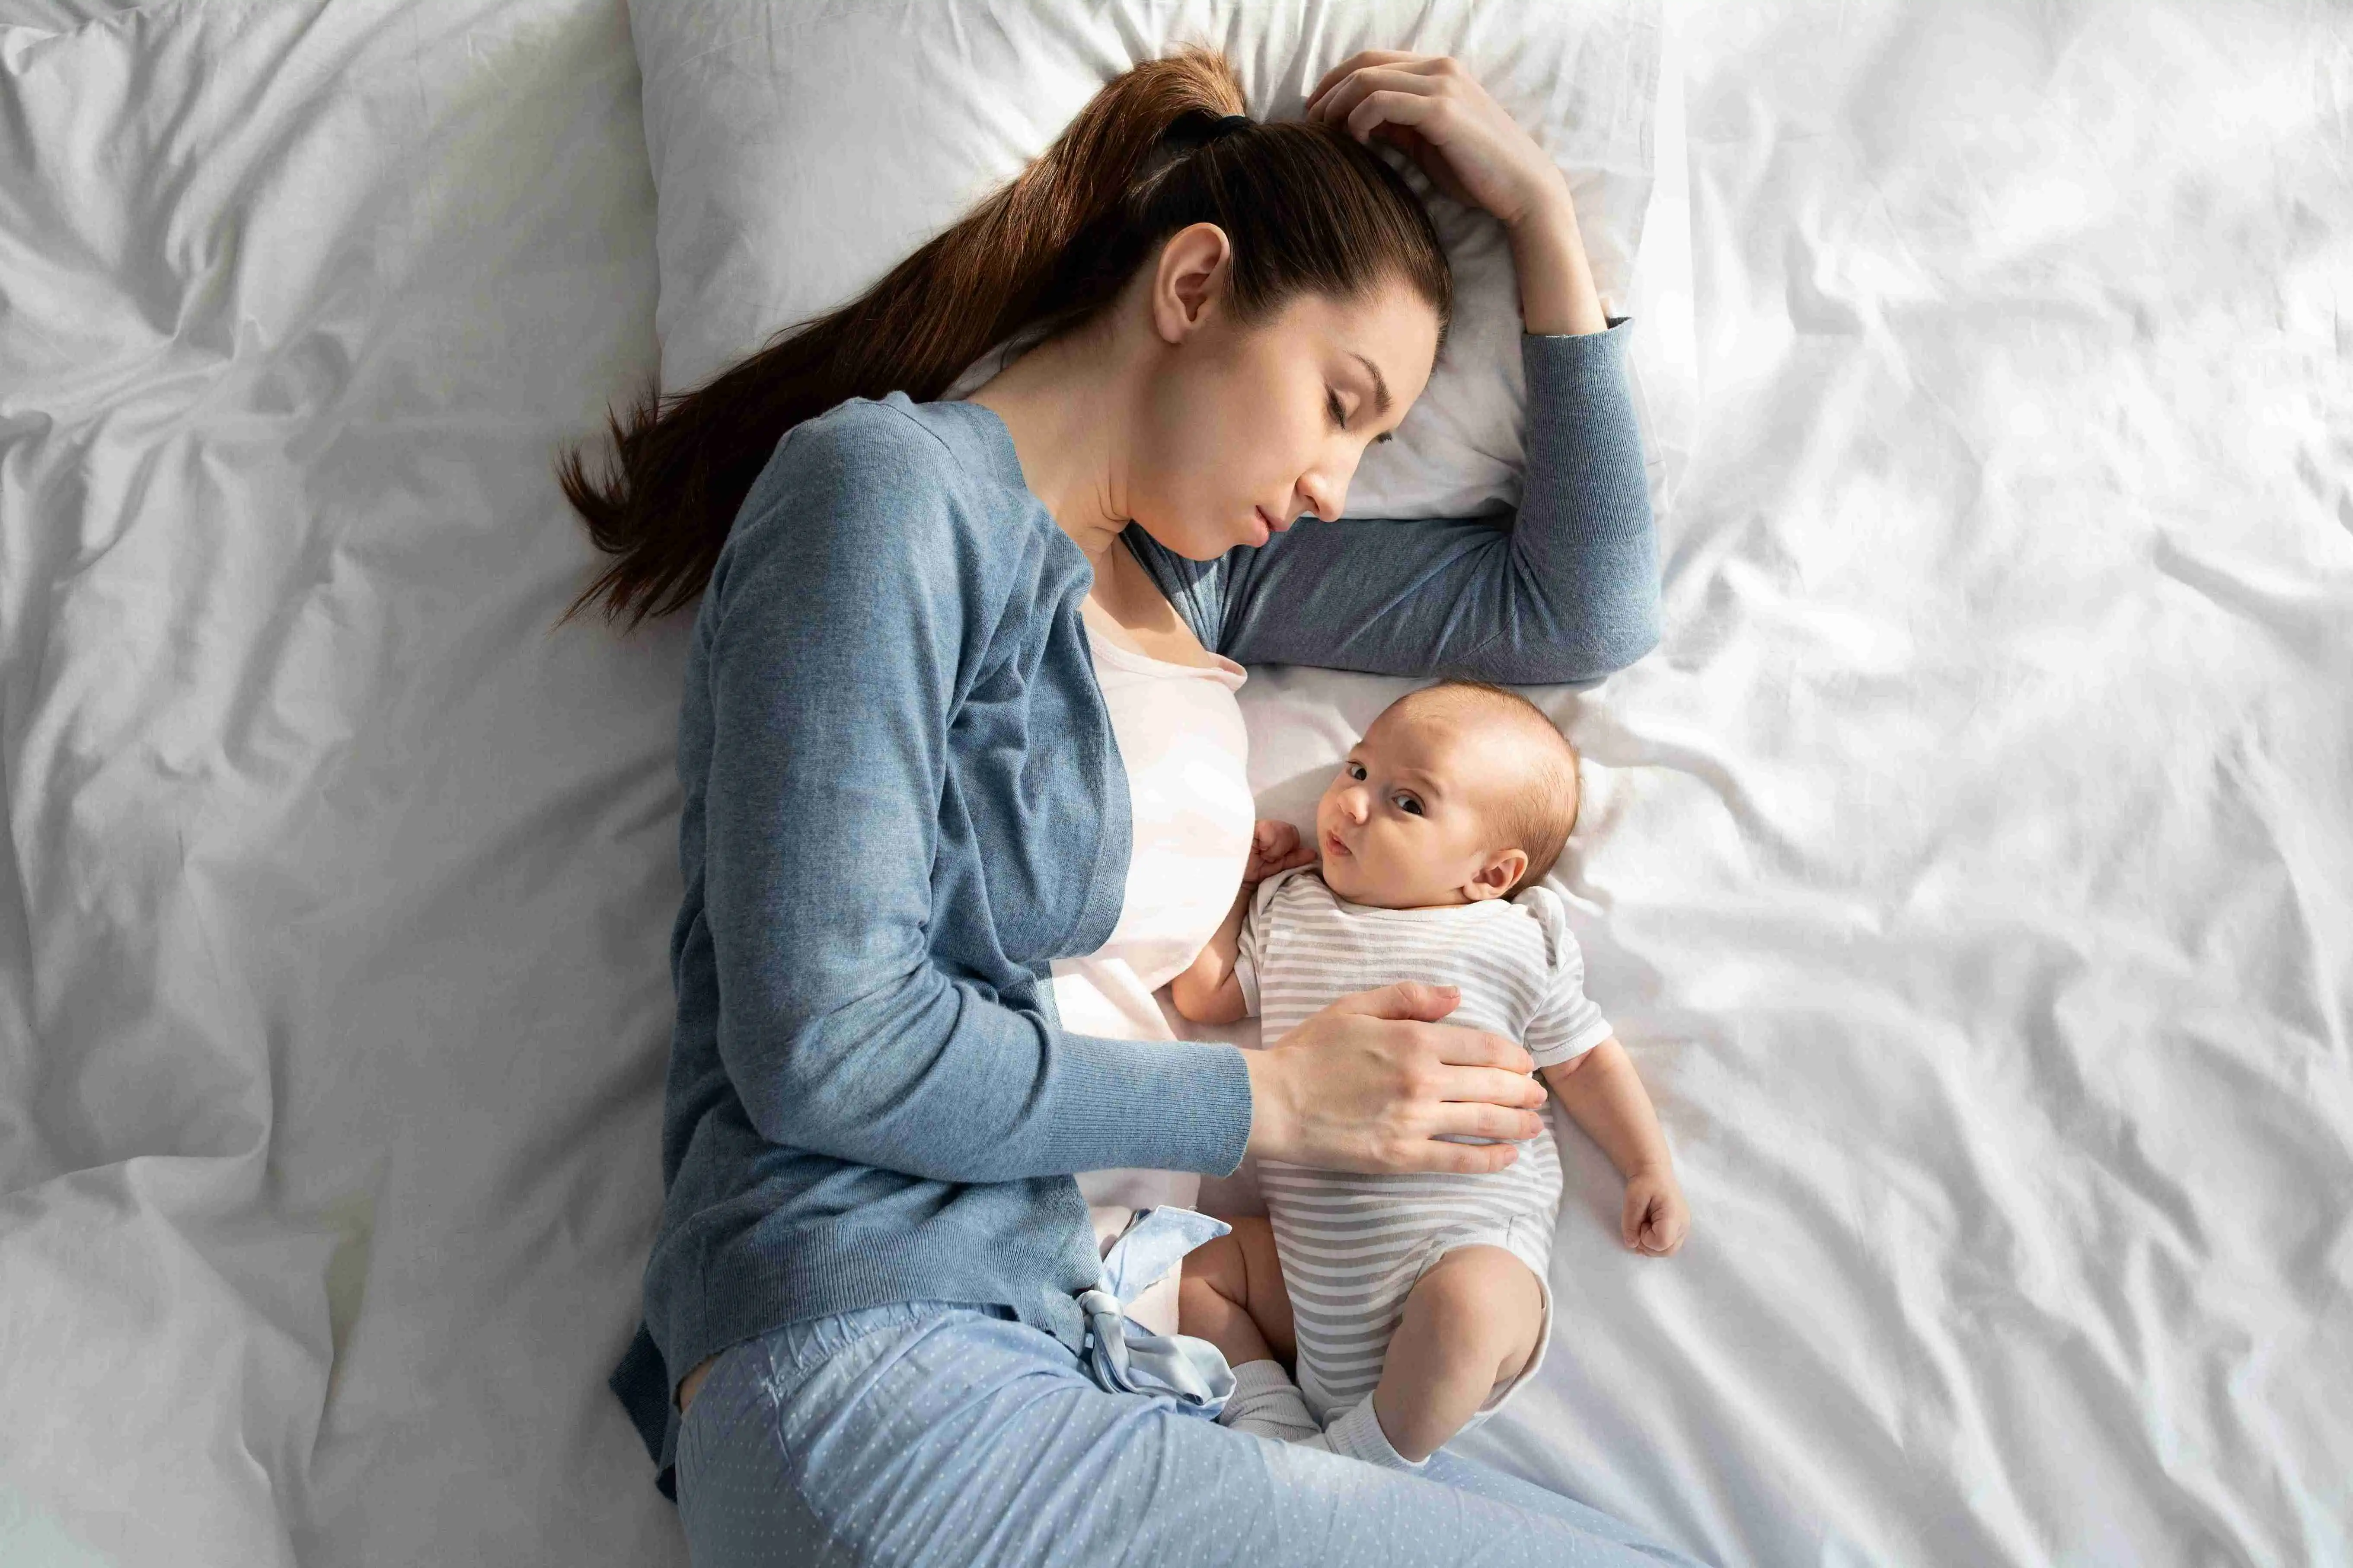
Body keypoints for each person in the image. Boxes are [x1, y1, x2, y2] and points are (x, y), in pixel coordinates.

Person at [558, 37, 1704, 1566]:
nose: (1334, 486)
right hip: (877, 1358)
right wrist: (1273, 1095)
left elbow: (1575, 602)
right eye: (1338, 403)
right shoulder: (884, 496)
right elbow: (829, 1045)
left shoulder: (1200, 579)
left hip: (1081, 1356)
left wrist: (1545, 221)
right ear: (1191, 287)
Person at [1169, 679, 1692, 1473]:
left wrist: (1645, 1166)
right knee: (1196, 1268)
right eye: (1355, 773)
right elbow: (1203, 996)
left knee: (1469, 1308)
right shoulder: (1289, 909)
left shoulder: (1512, 941)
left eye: (1406, 803)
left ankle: (1357, 1470)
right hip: (1310, 1283)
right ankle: (1271, 1422)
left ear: (1490, 873)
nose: (1351, 805)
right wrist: (1236, 891)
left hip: (1457, 1251)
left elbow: (1583, 1058)